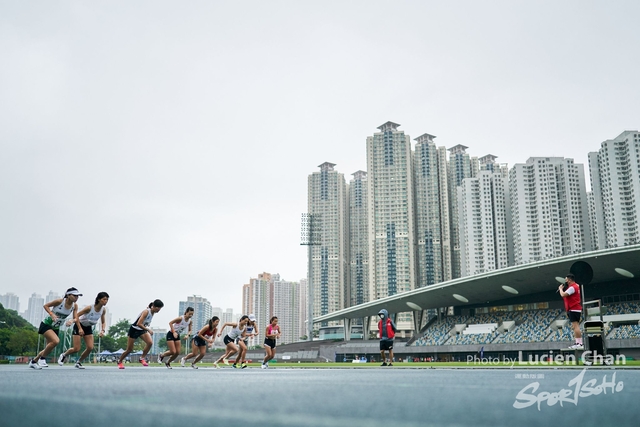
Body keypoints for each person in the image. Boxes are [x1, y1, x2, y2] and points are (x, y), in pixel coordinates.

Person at [29, 288, 82, 369]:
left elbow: (76, 318)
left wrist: (72, 320)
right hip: (46, 324)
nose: (76, 298)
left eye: (77, 296)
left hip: (56, 327)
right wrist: (52, 314)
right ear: (68, 295)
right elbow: (45, 305)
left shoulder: (75, 306)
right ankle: (42, 359)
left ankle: (33, 362)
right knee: (55, 341)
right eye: (74, 296)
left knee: (49, 348)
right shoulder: (60, 301)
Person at [58, 292, 109, 369]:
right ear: (99, 299)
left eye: (107, 299)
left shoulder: (103, 310)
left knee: (90, 347)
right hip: (79, 325)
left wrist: (102, 330)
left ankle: (78, 362)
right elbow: (76, 316)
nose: (106, 301)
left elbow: (103, 322)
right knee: (76, 348)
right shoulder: (89, 308)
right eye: (104, 299)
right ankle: (64, 355)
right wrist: (79, 328)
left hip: (88, 327)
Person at [117, 299, 164, 369]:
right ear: (153, 306)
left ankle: (142, 358)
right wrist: (148, 330)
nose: (159, 310)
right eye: (158, 308)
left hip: (142, 330)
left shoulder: (152, 312)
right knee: (129, 349)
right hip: (134, 329)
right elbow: (139, 323)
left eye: (160, 308)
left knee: (150, 343)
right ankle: (120, 361)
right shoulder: (146, 312)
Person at [559, 273, 583, 349]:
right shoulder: (576, 286)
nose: (566, 281)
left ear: (569, 280)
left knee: (576, 326)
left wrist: (560, 289)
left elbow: (563, 294)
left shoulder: (573, 287)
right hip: (575, 308)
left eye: (566, 280)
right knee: (574, 326)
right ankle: (578, 342)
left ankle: (579, 343)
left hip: (574, 308)